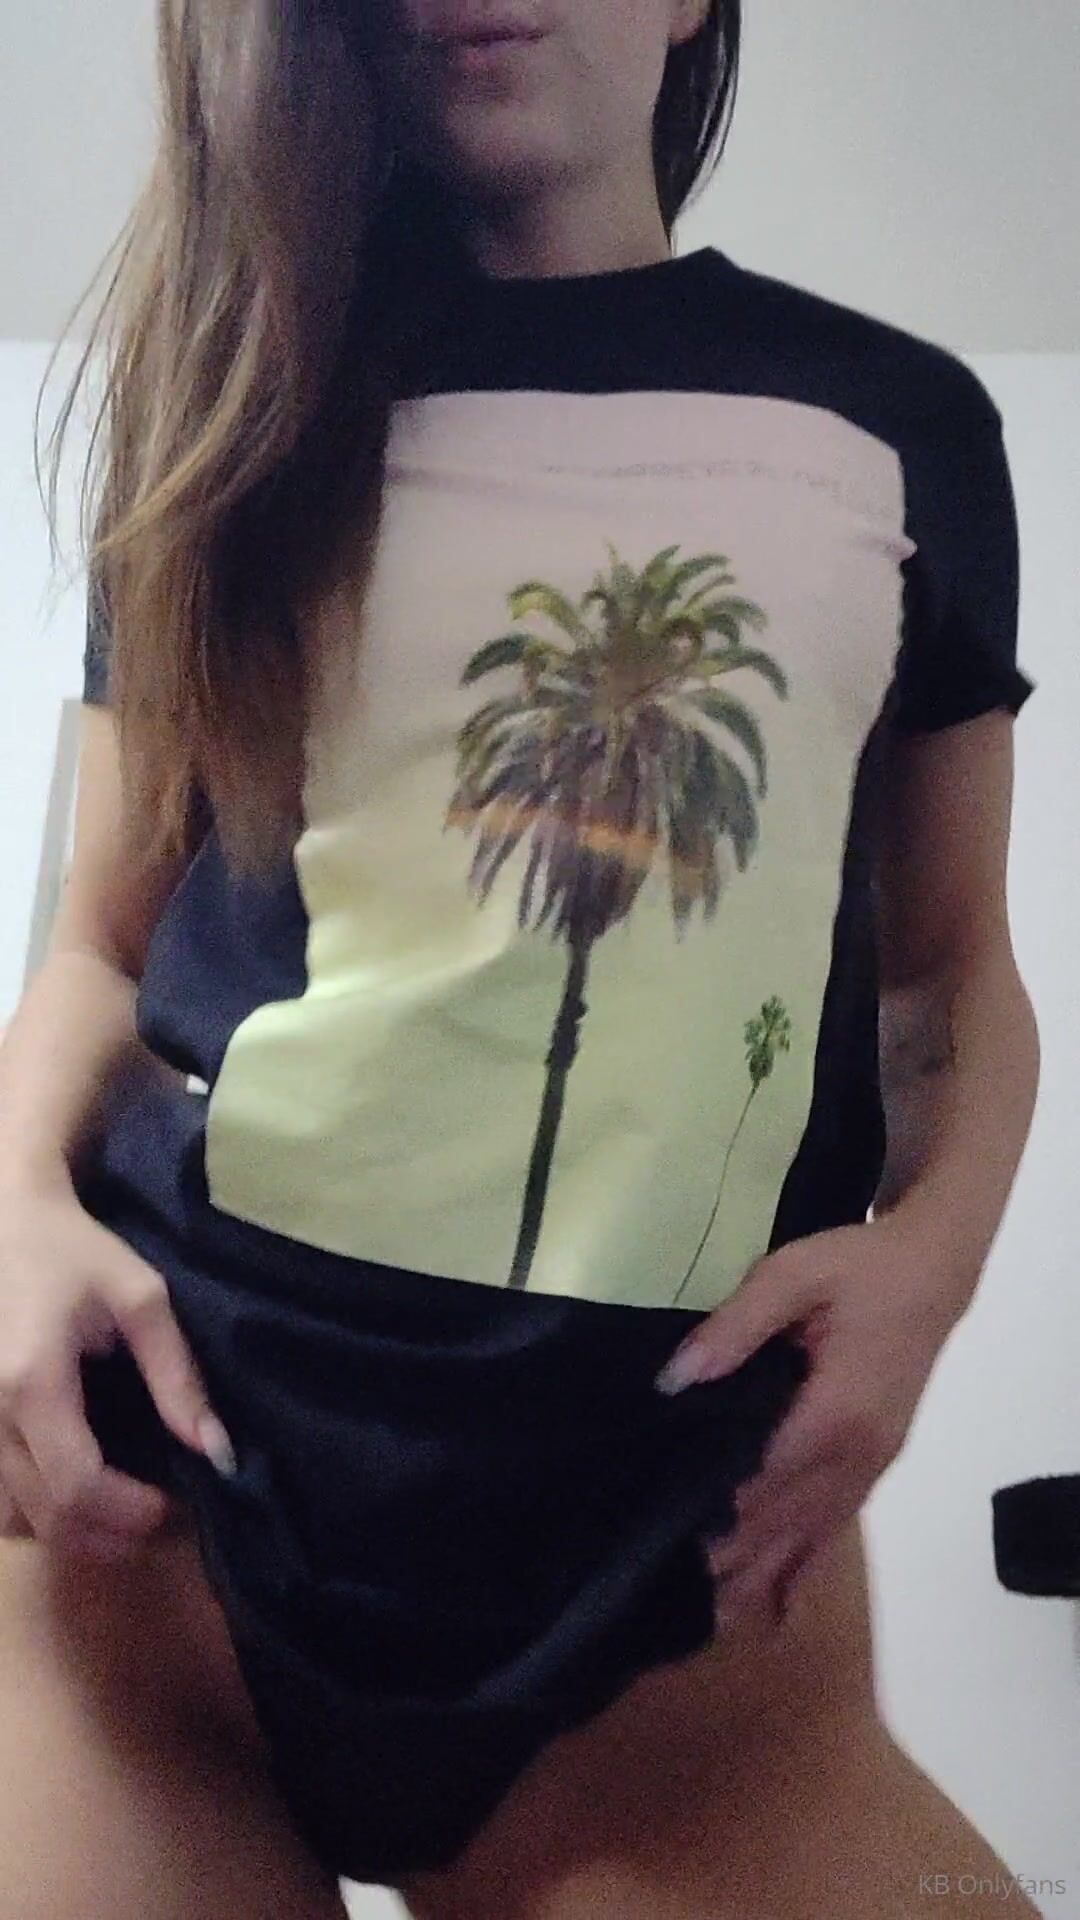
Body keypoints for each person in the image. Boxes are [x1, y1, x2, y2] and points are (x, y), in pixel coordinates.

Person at [0, 0, 1043, 1914]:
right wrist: (4, 1213)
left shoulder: (894, 427)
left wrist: (937, 1268)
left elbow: (951, 973)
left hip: (673, 1594)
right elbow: (96, 947)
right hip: (149, 1551)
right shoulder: (231, 411)